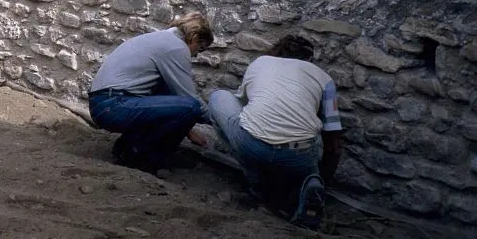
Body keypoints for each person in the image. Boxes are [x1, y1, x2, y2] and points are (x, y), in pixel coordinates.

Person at [207, 35, 344, 231]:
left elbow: (244, 103)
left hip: (253, 145)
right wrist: (323, 178)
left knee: (219, 97)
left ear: (276, 51)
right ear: (309, 60)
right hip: (300, 155)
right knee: (311, 139)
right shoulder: (325, 78)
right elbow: (333, 139)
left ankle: (258, 185)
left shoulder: (260, 62)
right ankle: (308, 184)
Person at [87, 12, 214, 175]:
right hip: (113, 106)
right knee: (191, 107)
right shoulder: (176, 48)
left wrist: (188, 131)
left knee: (170, 94)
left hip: (104, 104)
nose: (196, 55)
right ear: (194, 38)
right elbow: (188, 98)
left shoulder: (160, 39)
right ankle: (145, 159)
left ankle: (127, 148)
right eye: (200, 49)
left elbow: (167, 97)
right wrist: (220, 121)